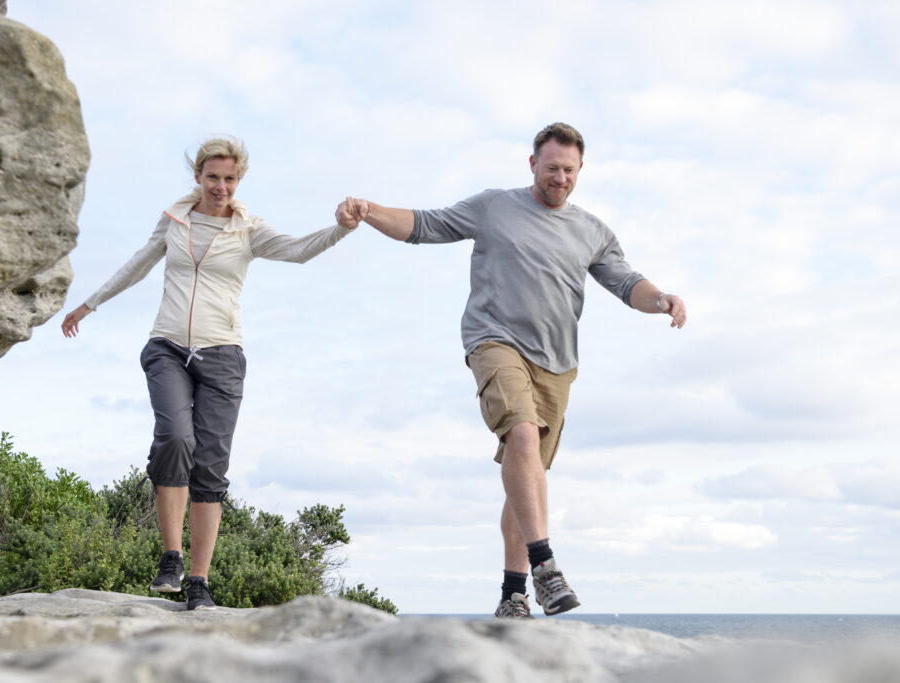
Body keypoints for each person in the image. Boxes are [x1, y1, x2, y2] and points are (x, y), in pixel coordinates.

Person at [336, 122, 687, 619]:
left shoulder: (592, 231)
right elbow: (424, 225)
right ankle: (546, 568)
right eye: (550, 168)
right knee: (522, 437)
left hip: (558, 364)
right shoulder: (496, 206)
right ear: (532, 165)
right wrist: (369, 211)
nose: (559, 178)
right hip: (494, 341)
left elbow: (626, 282)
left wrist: (662, 300)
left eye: (568, 170)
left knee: (526, 475)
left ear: (580, 170)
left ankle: (513, 596)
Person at [62, 137, 356, 610]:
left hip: (223, 354)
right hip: (168, 347)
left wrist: (339, 228)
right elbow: (138, 264)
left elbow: (299, 250)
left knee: (210, 465)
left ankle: (198, 580)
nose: (221, 186)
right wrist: (88, 304)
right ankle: (171, 557)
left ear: (239, 180)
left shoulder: (248, 228)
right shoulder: (175, 220)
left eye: (230, 179)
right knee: (176, 438)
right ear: (198, 176)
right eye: (213, 177)